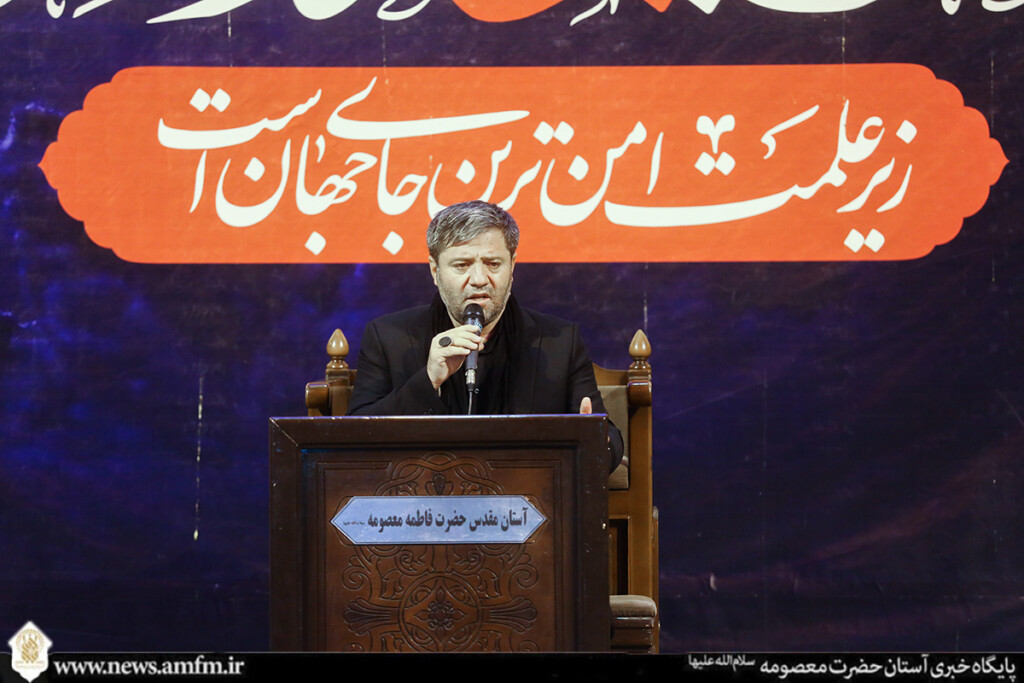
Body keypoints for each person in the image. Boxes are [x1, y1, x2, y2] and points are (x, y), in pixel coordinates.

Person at [346, 200, 624, 472]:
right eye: (462, 265)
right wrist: (428, 381)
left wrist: (594, 441)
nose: (479, 279)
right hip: (422, 495)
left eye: (493, 264)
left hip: (526, 493)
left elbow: (608, 441)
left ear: (512, 267)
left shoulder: (559, 341)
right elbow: (354, 438)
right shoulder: (388, 337)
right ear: (435, 270)